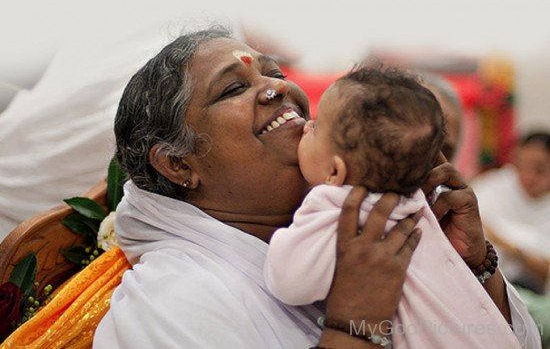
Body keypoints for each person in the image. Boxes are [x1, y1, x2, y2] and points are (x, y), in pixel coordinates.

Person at [92, 27, 540, 348]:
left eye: (276, 73)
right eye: (232, 88)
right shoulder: (171, 305)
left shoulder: (368, 214)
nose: (275, 89)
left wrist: (474, 265)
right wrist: (353, 325)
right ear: (177, 164)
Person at [263, 67, 520, 348]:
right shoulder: (418, 203)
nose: (306, 127)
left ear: (334, 173)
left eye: (317, 125)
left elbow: (289, 282)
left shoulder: (332, 204)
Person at [472, 131, 550, 293]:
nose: (529, 176)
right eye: (522, 166)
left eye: (540, 169)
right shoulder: (494, 185)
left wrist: (511, 248)